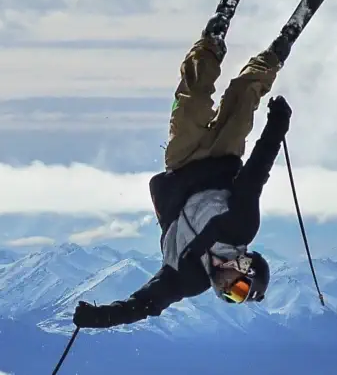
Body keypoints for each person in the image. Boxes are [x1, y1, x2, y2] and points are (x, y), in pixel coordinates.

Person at [73, 30, 293, 329]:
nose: (227, 291)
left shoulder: (188, 277)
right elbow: (256, 171)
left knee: (192, 101)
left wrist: (103, 318)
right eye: (238, 288)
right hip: (222, 159)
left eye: (233, 297)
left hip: (183, 163)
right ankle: (272, 58)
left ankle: (209, 47)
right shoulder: (241, 226)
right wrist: (278, 124)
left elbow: (147, 302)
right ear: (245, 267)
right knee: (243, 101)